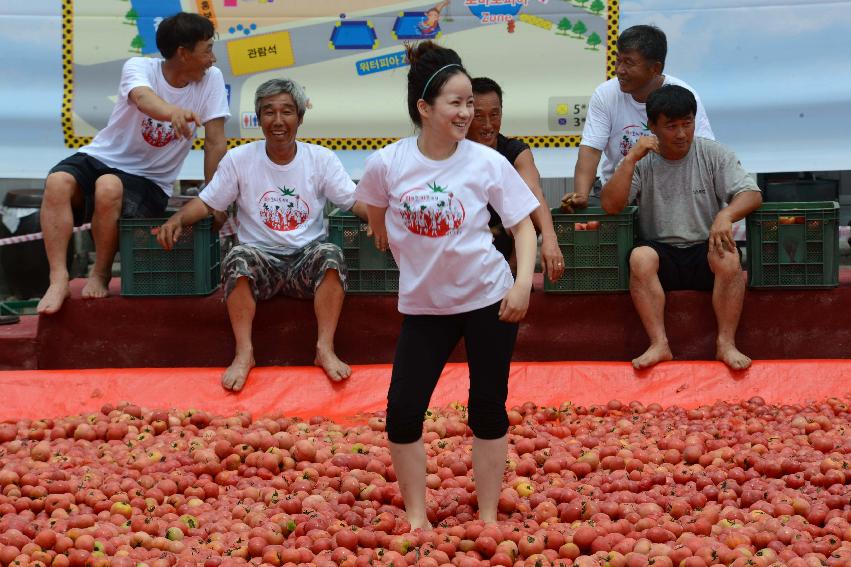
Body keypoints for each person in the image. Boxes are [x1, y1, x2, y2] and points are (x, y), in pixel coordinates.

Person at [355, 41, 539, 529]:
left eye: (469, 104)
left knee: (487, 408)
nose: (466, 113)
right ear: (424, 108)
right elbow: (372, 204)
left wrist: (521, 286)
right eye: (455, 103)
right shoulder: (388, 163)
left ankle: (487, 517)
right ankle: (418, 517)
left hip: (488, 299)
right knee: (403, 411)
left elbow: (523, 226)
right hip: (425, 307)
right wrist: (380, 228)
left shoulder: (485, 162)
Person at [156, 78, 367, 391]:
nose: (278, 121)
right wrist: (177, 219)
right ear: (258, 119)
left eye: (287, 112)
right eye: (269, 112)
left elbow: (354, 200)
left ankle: (324, 349)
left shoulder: (320, 159)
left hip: (304, 260)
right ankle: (244, 353)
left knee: (331, 255)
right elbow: (208, 201)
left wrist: (384, 218)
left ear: (300, 117)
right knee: (237, 257)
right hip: (260, 261)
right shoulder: (240, 160)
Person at [38, 12, 229, 314]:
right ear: (183, 52)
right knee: (57, 181)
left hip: (149, 181)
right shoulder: (139, 66)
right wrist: (171, 112)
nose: (212, 58)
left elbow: (215, 143)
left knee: (108, 186)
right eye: (207, 49)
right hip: (101, 156)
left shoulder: (211, 81)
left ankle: (100, 273)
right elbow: (142, 98)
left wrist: (215, 198)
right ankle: (58, 277)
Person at [600, 85, 762, 371]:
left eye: (687, 124)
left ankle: (726, 344)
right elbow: (611, 205)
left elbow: (752, 194)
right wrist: (630, 159)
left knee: (729, 257)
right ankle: (659, 344)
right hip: (661, 253)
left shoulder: (713, 154)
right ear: (652, 126)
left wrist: (726, 215)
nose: (681, 134)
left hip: (704, 249)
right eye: (671, 126)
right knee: (640, 257)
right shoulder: (641, 160)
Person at [561, 24, 714, 213]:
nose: (619, 70)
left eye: (629, 63)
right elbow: (591, 151)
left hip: (672, 194)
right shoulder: (605, 94)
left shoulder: (683, 95)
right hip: (617, 193)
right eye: (618, 61)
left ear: (655, 68)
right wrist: (581, 194)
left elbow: (702, 152)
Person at [467, 77, 565, 283]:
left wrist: (549, 238)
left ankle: (512, 276)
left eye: (494, 115)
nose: (488, 125)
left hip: (506, 240)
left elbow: (533, 191)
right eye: (478, 116)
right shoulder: (452, 152)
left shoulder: (514, 151)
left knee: (526, 210)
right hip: (466, 242)